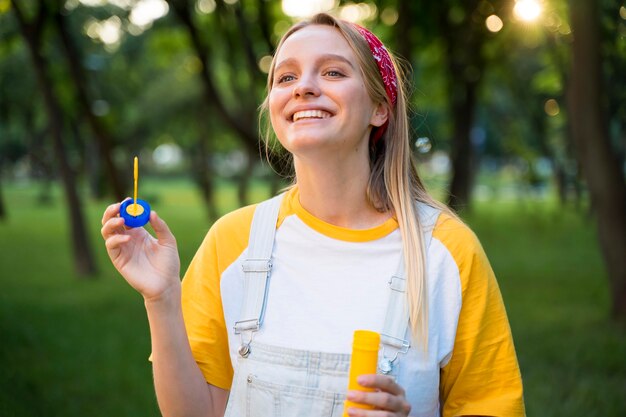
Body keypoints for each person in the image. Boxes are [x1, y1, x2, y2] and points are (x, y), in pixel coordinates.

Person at [101, 13, 525, 417]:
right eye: (286, 77)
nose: (303, 87)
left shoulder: (446, 252)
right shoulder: (234, 241)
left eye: (333, 72)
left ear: (380, 108)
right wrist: (161, 300)